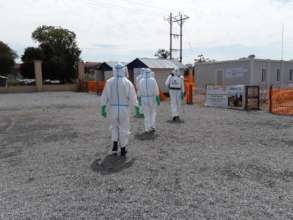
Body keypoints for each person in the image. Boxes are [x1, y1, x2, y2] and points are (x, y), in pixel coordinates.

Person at [100, 63, 139, 156]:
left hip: (113, 108)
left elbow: (105, 95)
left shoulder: (109, 82)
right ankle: (123, 149)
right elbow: (133, 96)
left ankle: (114, 145)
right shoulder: (127, 82)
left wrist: (103, 107)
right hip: (124, 109)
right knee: (124, 128)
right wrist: (137, 107)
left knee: (114, 127)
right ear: (123, 70)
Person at [137, 68, 160, 133]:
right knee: (152, 113)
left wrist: (139, 99)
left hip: (144, 99)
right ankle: (152, 126)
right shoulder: (153, 80)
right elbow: (156, 89)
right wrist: (157, 97)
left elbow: (139, 90)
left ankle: (147, 128)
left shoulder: (141, 81)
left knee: (146, 114)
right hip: (152, 98)